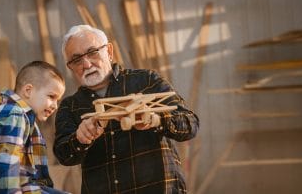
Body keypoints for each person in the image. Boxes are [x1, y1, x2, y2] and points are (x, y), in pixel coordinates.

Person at [53, 25, 199, 194]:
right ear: (70, 67)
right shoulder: (69, 106)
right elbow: (63, 155)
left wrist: (155, 119)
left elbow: (190, 124)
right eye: (76, 60)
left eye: (92, 52)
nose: (86, 64)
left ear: (108, 51)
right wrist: (79, 139)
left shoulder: (146, 81)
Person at [0, 61, 68, 194]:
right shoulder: (14, 115)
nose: (55, 105)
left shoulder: (21, 115)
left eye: (58, 100)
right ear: (28, 90)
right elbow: (7, 165)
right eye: (51, 96)